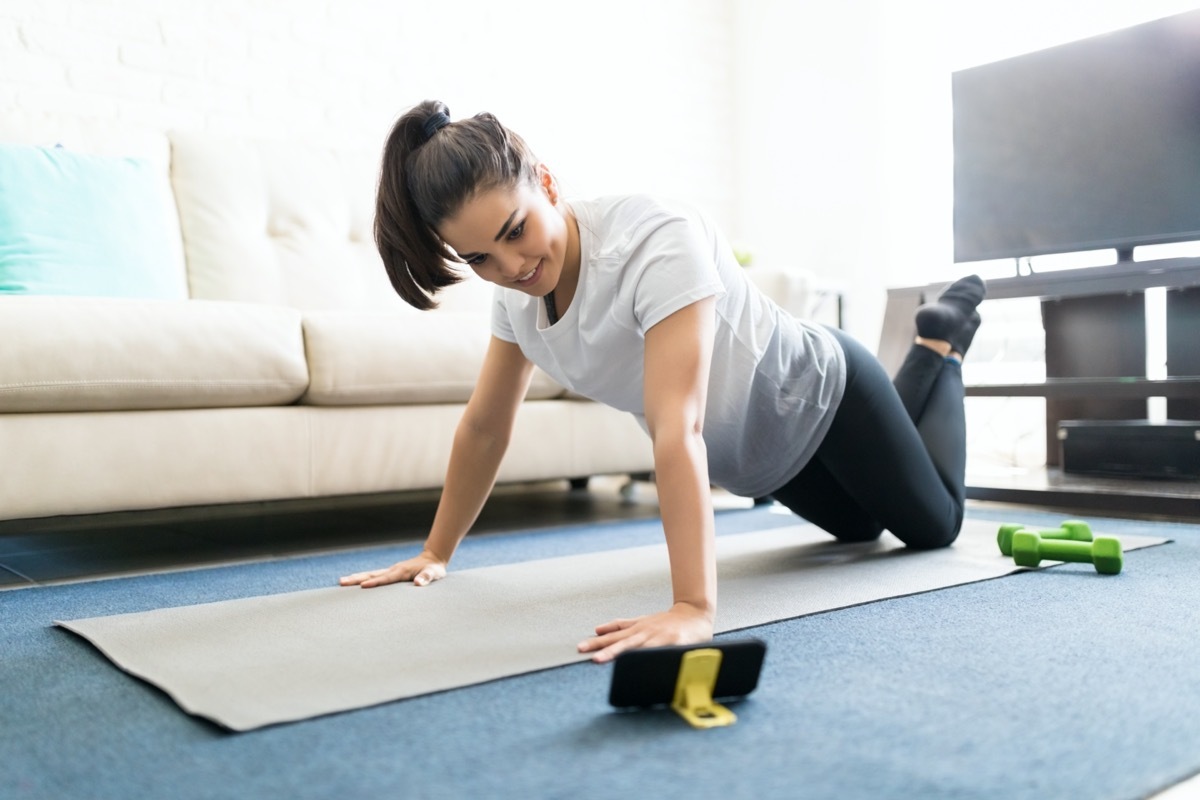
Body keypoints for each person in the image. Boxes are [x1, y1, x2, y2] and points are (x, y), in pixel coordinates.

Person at [339, 100, 987, 664]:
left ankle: (940, 345)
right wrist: (435, 552)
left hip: (823, 393)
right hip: (763, 462)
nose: (512, 266)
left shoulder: (653, 241)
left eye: (517, 231)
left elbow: (679, 425)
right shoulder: (514, 299)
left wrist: (692, 607)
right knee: (859, 530)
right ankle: (928, 361)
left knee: (935, 528)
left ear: (547, 182)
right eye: (481, 257)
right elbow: (486, 426)